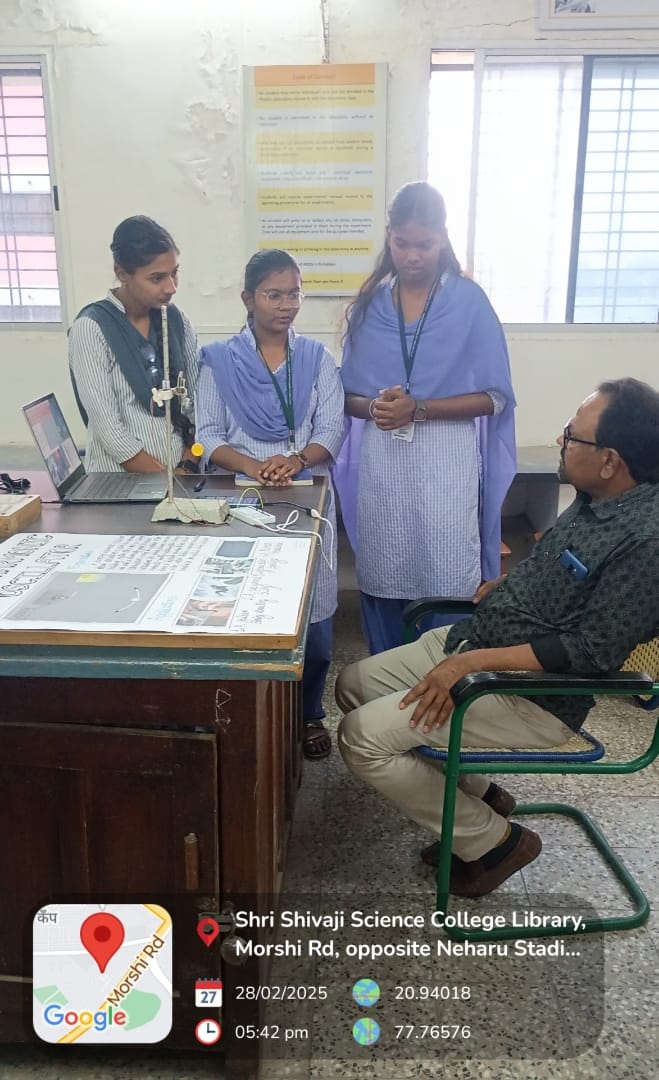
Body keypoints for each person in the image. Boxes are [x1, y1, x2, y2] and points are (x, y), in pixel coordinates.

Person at [336, 378, 659, 896]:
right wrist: (513, 585)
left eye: (571, 436)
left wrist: (467, 665)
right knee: (353, 684)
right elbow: (572, 573)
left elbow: (591, 651)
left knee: (361, 738)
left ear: (609, 460)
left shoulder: (645, 539)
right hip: (477, 642)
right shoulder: (595, 496)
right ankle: (480, 794)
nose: (560, 442)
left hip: (529, 695)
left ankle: (494, 842)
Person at [333, 181, 516, 655]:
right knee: (385, 570)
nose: (412, 256)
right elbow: (346, 395)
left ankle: (441, 688)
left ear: (443, 239)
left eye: (425, 245)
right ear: (388, 236)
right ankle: (385, 686)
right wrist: (374, 408)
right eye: (402, 243)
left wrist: (420, 408)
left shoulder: (468, 302)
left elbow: (495, 396)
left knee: (444, 571)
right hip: (385, 459)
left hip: (446, 462)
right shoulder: (372, 304)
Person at [195, 249, 346, 759]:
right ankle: (251, 717)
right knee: (249, 615)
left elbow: (332, 430)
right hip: (242, 500)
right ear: (248, 298)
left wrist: (297, 459)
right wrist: (254, 465)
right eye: (274, 294)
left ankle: (308, 713)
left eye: (295, 293)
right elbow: (209, 435)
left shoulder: (317, 359)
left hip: (308, 497)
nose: (287, 305)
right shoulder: (217, 361)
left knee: (316, 626)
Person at [69, 215, 199, 473]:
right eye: (157, 278)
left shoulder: (177, 321)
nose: (171, 287)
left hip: (182, 474)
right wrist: (164, 481)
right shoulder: (92, 328)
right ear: (122, 273)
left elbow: (196, 403)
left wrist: (188, 464)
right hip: (117, 481)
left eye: (175, 273)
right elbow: (106, 424)